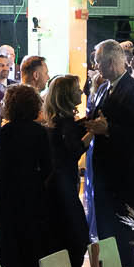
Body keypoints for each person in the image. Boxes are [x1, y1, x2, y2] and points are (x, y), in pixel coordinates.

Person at [0, 85, 57, 267]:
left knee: (9, 248)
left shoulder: (7, 131)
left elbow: (1, 163)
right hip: (33, 194)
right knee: (32, 246)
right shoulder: (40, 131)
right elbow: (48, 167)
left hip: (9, 195)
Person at [84, 40, 134, 259]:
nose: (96, 67)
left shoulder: (133, 90)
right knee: (106, 238)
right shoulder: (104, 88)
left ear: (111, 62)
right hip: (104, 177)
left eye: (98, 62)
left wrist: (109, 129)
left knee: (122, 241)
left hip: (124, 178)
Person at [41, 75, 91, 255]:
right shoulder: (65, 122)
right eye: (77, 89)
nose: (81, 92)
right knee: (74, 235)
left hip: (58, 182)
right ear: (67, 95)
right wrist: (93, 132)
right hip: (63, 184)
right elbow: (74, 150)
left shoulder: (58, 120)